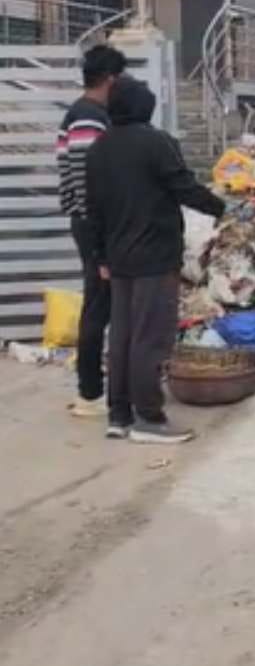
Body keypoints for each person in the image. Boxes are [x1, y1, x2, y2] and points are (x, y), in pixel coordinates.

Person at [86, 76, 225, 443]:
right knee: (150, 337)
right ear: (145, 108)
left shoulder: (98, 148)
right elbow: (182, 186)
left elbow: (94, 209)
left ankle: (119, 414)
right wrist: (219, 207)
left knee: (123, 336)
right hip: (154, 256)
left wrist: (100, 254)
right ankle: (148, 417)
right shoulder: (155, 142)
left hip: (118, 257)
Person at [56, 43, 127, 418]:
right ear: (111, 79)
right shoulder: (88, 117)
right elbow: (87, 183)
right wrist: (100, 244)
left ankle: (96, 385)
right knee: (99, 303)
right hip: (94, 224)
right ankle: (90, 393)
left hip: (90, 222)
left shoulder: (88, 114)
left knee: (101, 302)